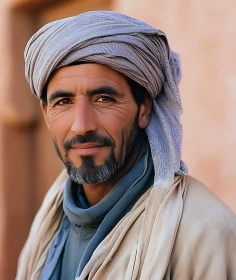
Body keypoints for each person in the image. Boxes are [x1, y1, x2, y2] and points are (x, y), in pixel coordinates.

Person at [16, 11, 236, 280]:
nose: (81, 125)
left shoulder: (203, 231)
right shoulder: (49, 220)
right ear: (45, 112)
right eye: (63, 102)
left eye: (104, 99)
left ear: (144, 109)